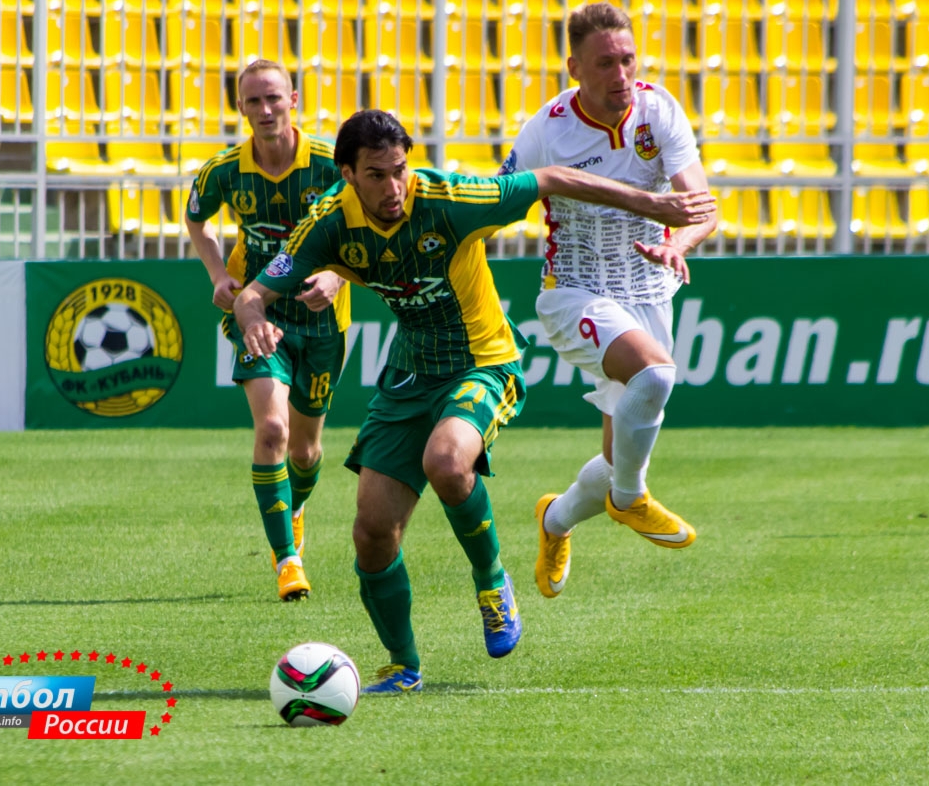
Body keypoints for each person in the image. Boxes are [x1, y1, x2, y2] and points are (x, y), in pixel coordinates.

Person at [234, 109, 715, 693]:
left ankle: (492, 581)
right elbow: (255, 292)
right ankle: (403, 666)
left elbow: (552, 178)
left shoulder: (451, 199)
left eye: (399, 170)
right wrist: (253, 315)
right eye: (377, 175)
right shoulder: (329, 223)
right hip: (410, 374)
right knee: (372, 533)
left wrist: (656, 206)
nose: (393, 187)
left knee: (446, 462)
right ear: (348, 175)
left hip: (481, 362)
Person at [497, 2, 719, 599]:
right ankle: (631, 499)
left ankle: (555, 519)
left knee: (617, 450)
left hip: (649, 291)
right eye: (604, 63)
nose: (620, 74)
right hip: (574, 290)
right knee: (655, 374)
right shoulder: (547, 129)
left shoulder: (658, 109)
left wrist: (679, 244)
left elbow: (702, 208)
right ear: (574, 68)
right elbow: (498, 201)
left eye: (627, 59)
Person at [185, 59, 349, 603]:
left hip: (323, 321)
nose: (265, 109)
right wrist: (218, 275)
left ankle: (294, 509)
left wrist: (336, 275)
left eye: (274, 97)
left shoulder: (330, 163)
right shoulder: (223, 172)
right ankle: (287, 561)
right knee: (272, 431)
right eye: (253, 101)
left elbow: (366, 224)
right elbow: (196, 219)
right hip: (258, 312)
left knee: (305, 453)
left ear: (293, 100)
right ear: (240, 108)